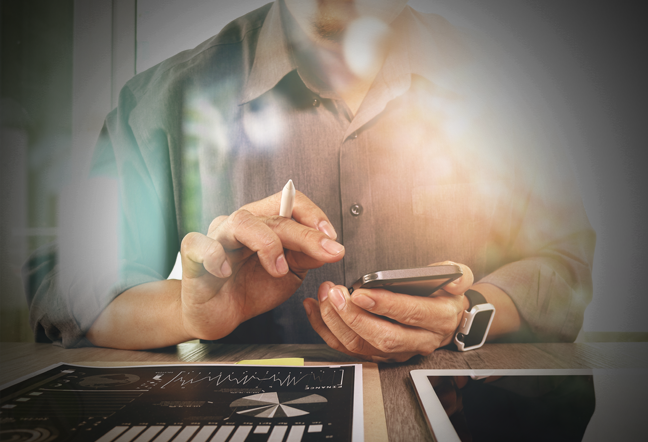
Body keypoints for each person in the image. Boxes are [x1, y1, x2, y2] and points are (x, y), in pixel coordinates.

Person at [24, 0, 595, 362]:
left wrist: (464, 314)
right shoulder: (157, 103)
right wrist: (189, 312)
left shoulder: (510, 91)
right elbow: (67, 284)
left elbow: (562, 263)